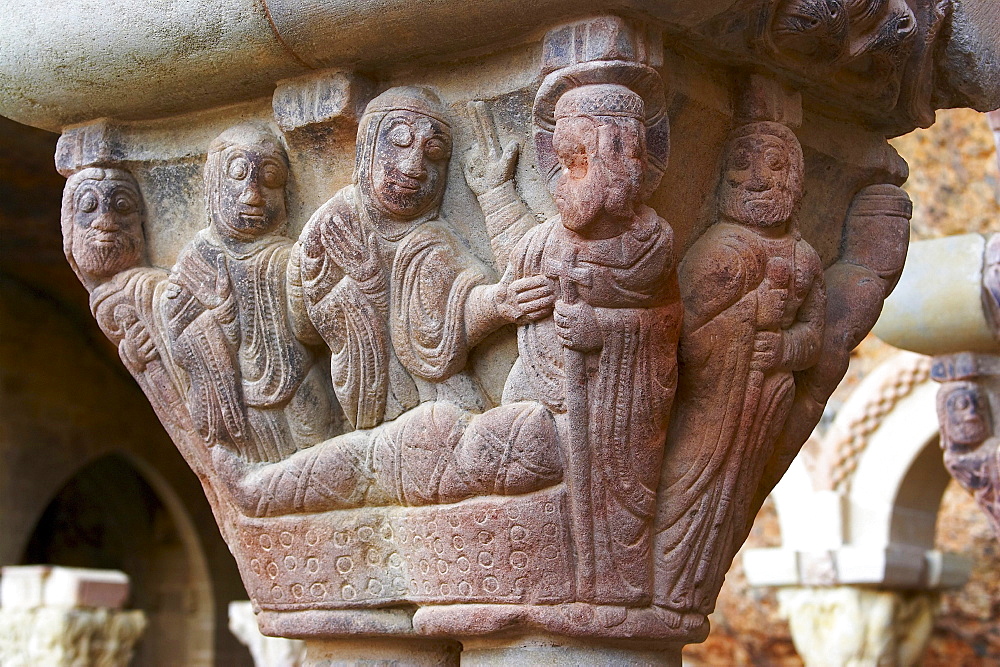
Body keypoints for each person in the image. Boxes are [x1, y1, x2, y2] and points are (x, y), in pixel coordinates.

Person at [654, 120, 825, 621]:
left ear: (796, 181)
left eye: (775, 166)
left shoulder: (805, 258)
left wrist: (786, 346)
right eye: (742, 163)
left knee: (733, 496)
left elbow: (814, 334)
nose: (757, 178)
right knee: (689, 486)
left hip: (763, 406)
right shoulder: (720, 251)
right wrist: (750, 316)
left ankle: (686, 584)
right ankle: (665, 576)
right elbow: (678, 336)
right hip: (710, 405)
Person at [163, 125, 338, 465]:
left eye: (269, 179)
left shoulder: (289, 256)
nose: (253, 195)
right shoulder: (196, 260)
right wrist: (216, 327)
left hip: (300, 387)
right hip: (236, 400)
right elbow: (176, 331)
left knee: (323, 465)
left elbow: (311, 330)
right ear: (212, 185)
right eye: (238, 175)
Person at [61, 167, 197, 460]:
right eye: (88, 207)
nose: (106, 222)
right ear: (69, 226)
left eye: (122, 207)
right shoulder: (111, 299)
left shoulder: (154, 288)